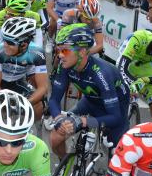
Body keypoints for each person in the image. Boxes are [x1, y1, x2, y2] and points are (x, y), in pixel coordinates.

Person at [48, 24, 130, 157]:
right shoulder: (65, 65)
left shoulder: (101, 73)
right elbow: (54, 99)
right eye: (58, 50)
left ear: (82, 52)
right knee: (55, 137)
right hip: (90, 101)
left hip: (116, 108)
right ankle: (62, 168)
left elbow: (115, 117)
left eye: (65, 50)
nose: (60, 55)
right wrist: (58, 119)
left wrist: (84, 121)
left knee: (117, 157)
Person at [0, 17, 48, 125]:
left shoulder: (37, 54)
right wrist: (7, 104)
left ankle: (27, 131)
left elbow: (43, 87)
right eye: (4, 40)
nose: (5, 45)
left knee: (39, 106)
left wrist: (25, 103)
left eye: (10, 42)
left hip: (17, 81)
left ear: (24, 44)